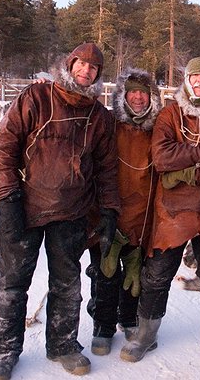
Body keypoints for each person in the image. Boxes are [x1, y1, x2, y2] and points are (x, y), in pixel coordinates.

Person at [0, 42, 121, 380]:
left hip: (72, 212)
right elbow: (2, 148)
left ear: (98, 76)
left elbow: (106, 168)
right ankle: (4, 351)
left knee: (68, 284)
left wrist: (109, 210)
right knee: (13, 283)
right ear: (69, 64)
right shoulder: (36, 98)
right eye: (82, 64)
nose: (86, 71)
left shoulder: (98, 116)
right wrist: (8, 197)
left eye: (94, 68)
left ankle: (62, 345)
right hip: (25, 207)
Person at [120, 56, 200, 374]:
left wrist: (194, 175)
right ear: (187, 81)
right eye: (195, 77)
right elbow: (162, 157)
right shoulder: (169, 114)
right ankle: (145, 335)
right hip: (174, 209)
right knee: (157, 273)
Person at [86, 68, 162, 356]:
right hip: (107, 210)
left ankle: (128, 318)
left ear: (151, 97)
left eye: (144, 93)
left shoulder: (158, 128)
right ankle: (103, 326)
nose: (139, 98)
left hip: (142, 214)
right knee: (106, 273)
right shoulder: (109, 123)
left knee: (135, 271)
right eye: (133, 92)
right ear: (123, 96)